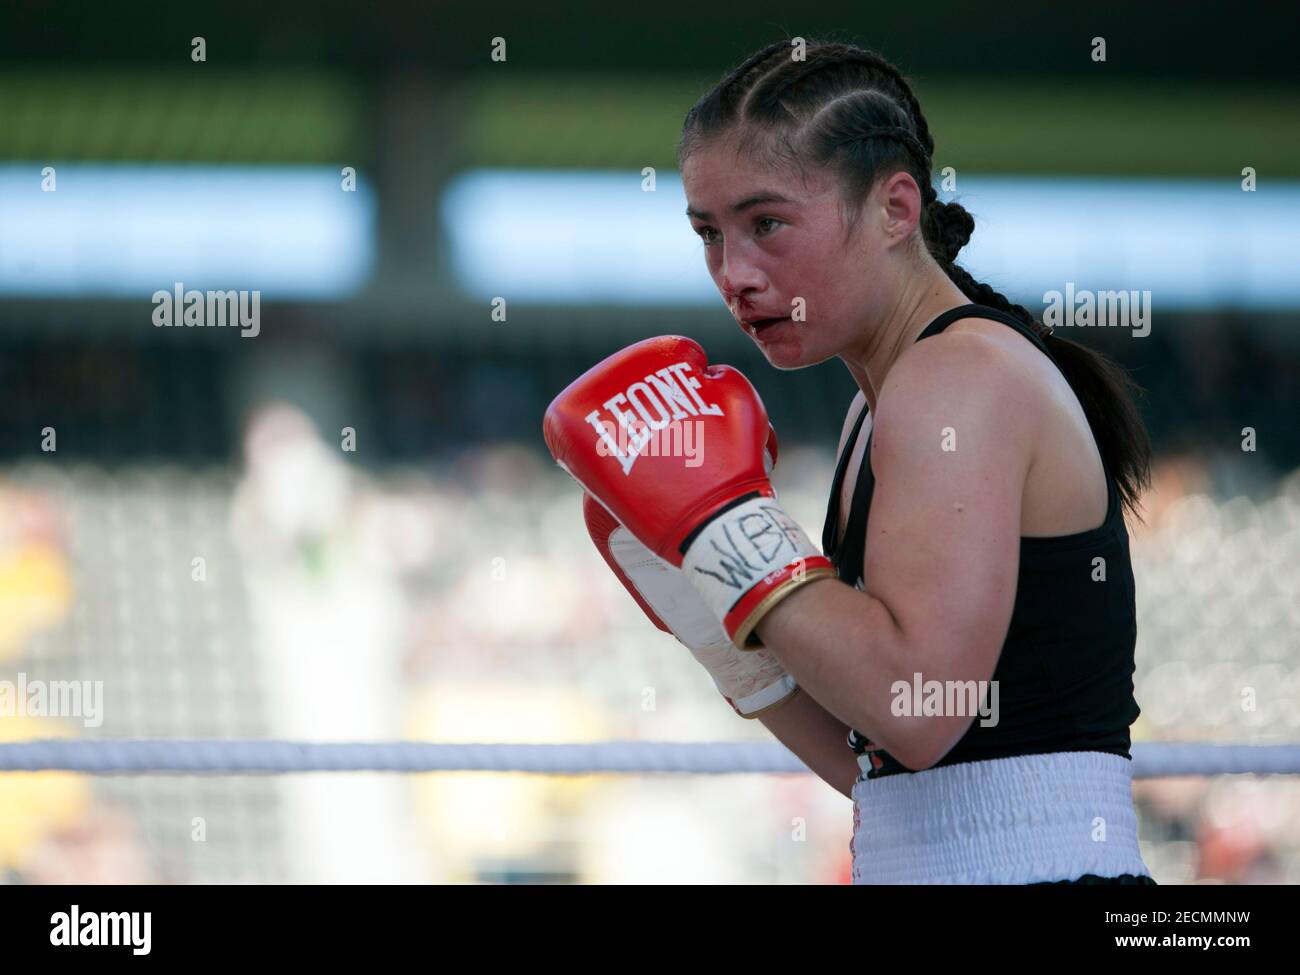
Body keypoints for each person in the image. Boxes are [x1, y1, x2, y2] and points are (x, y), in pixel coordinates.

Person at [545, 38, 1155, 884]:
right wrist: (732, 644)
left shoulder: (958, 377)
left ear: (895, 209)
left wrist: (725, 533)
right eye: (708, 233)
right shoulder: (878, 406)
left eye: (767, 224)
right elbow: (887, 771)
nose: (735, 272)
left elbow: (918, 709)